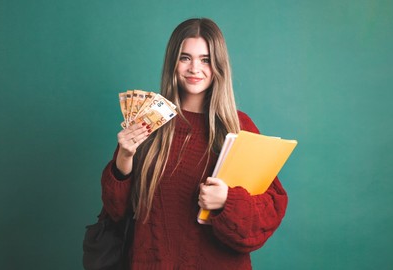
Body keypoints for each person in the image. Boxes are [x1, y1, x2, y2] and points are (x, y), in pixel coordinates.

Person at [100, 18, 288, 269]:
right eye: (185, 57)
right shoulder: (149, 121)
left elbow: (270, 211)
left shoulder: (239, 127)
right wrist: (124, 158)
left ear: (218, 65)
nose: (194, 69)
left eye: (206, 59)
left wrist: (227, 201)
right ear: (172, 63)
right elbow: (116, 211)